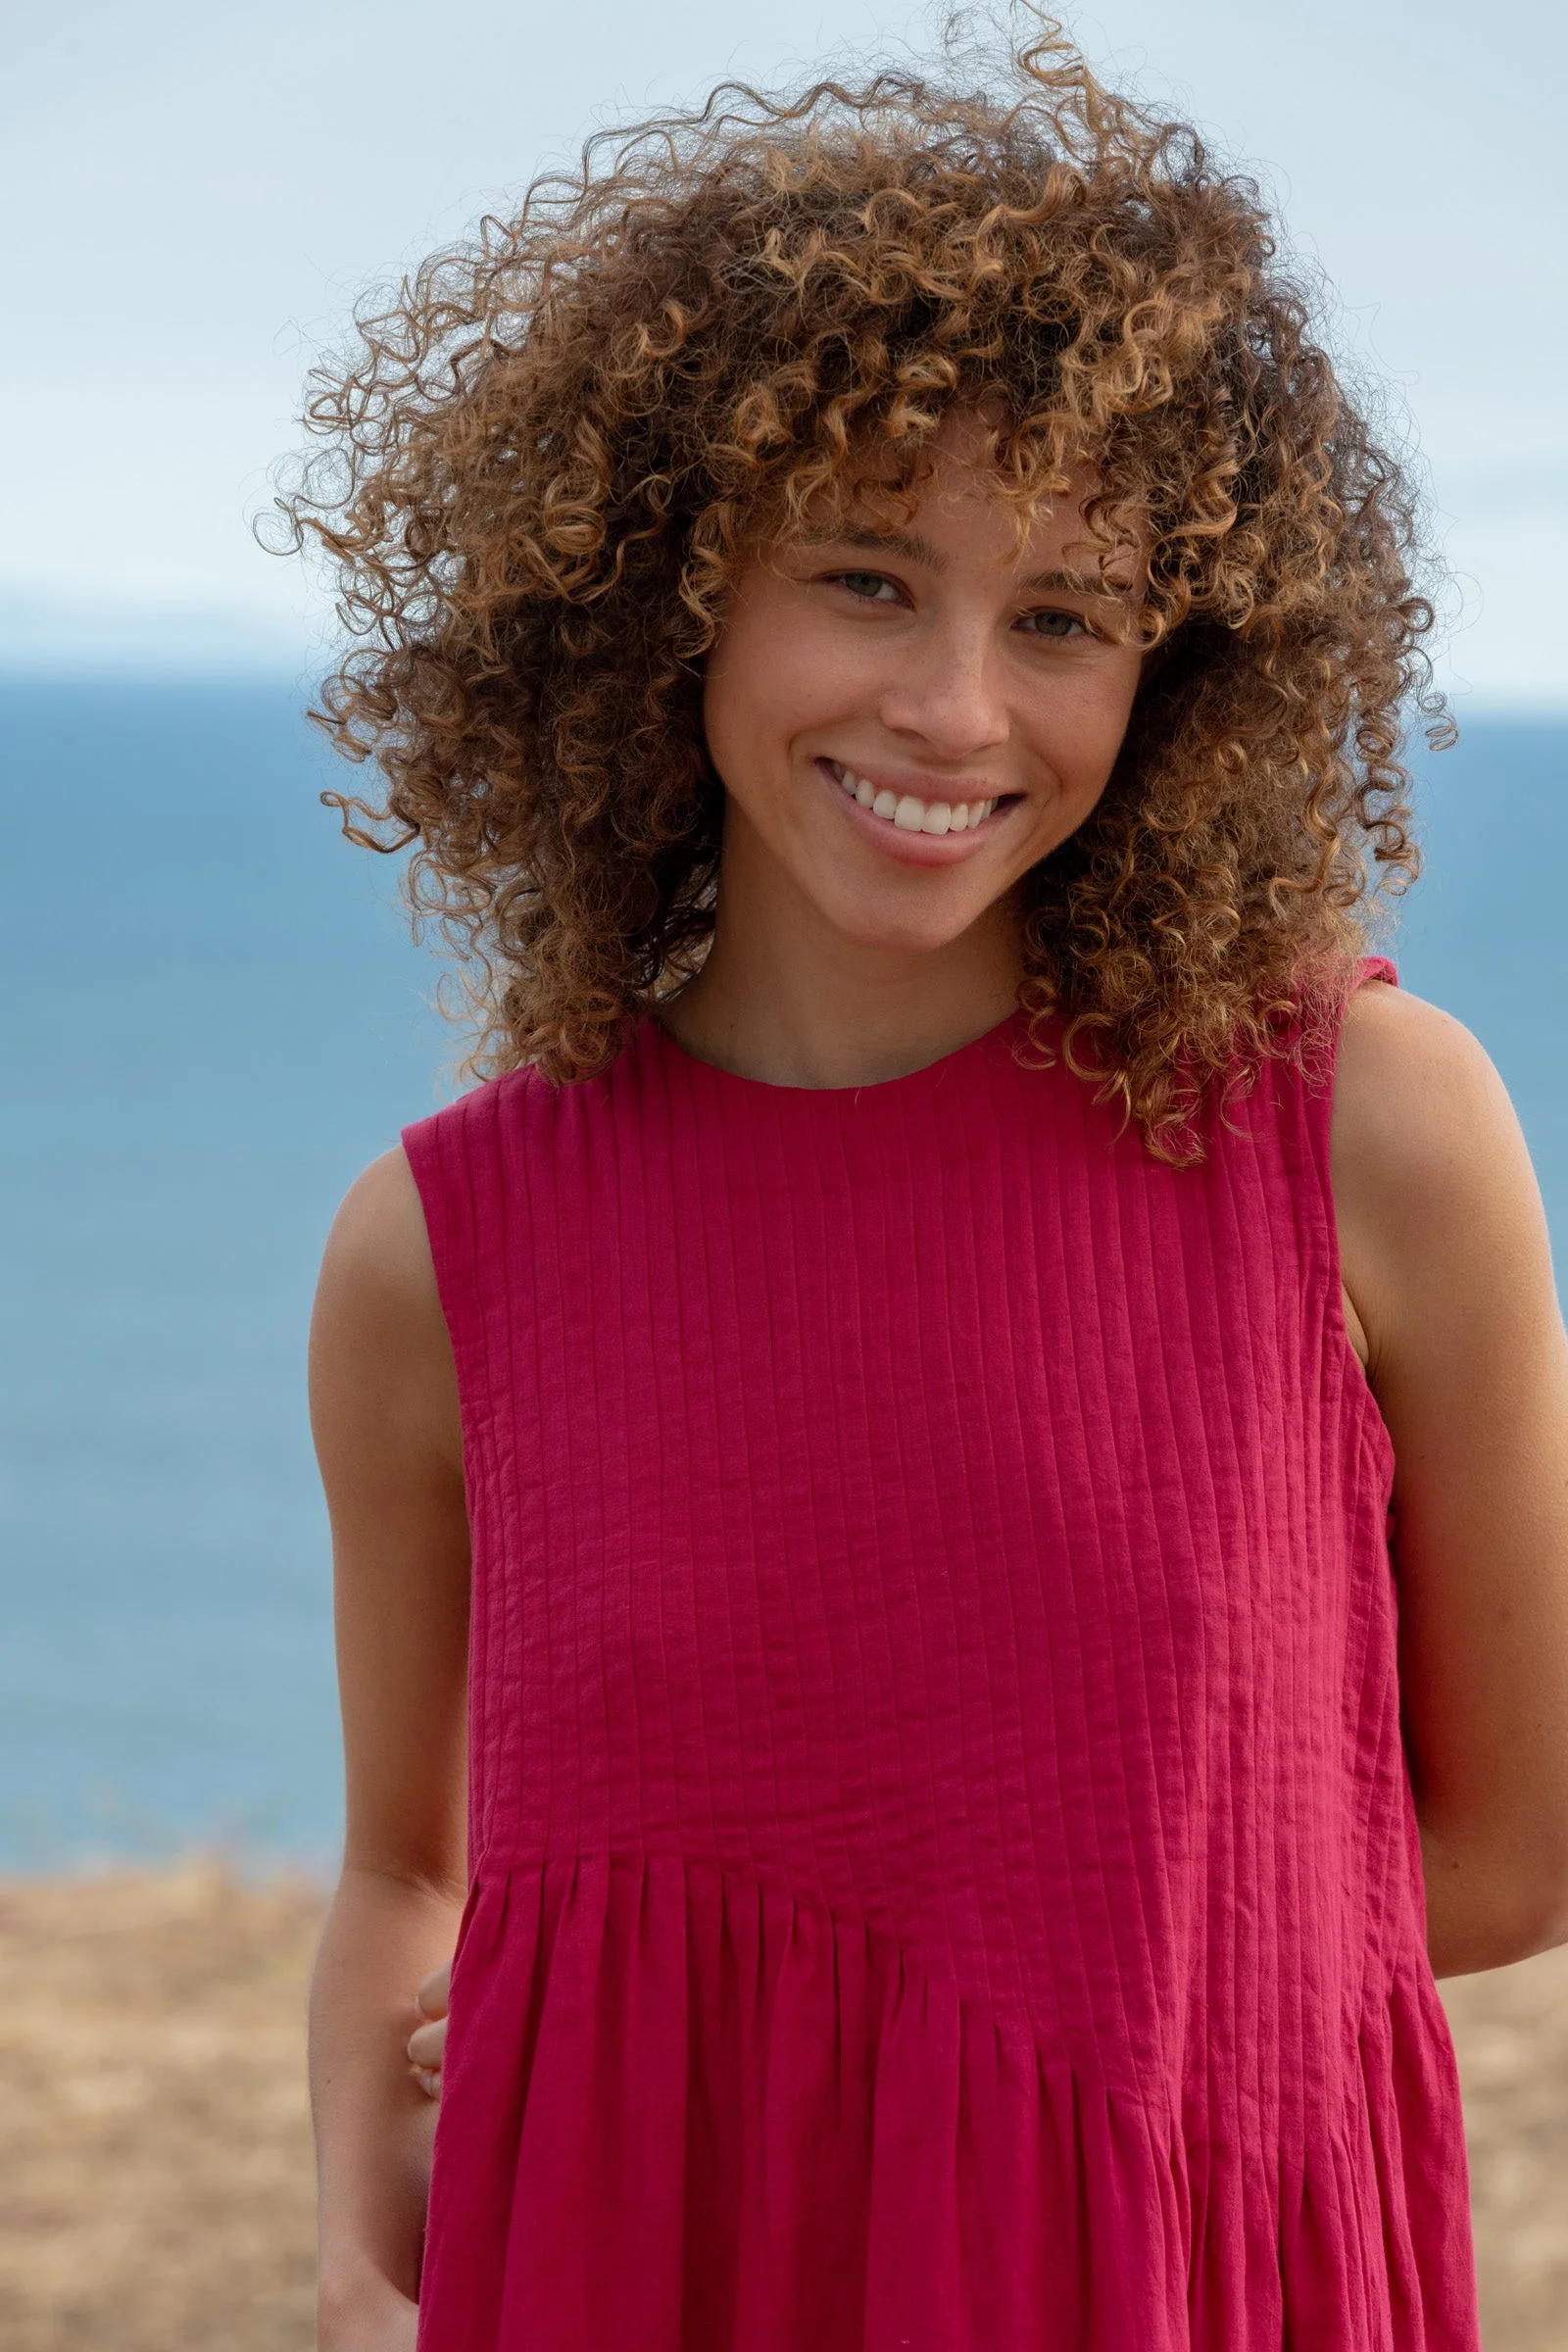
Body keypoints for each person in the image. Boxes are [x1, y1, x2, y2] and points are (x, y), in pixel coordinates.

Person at [294, 20, 1568, 2349]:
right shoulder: (438, 1258)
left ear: (1174, 678)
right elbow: (404, 1860)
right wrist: (393, 2135)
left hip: (1184, 2274)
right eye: (867, 580)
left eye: (1061, 618)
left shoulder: (1364, 1134)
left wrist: (1013, 1997)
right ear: (671, 595)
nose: (957, 711)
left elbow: (1504, 1846)